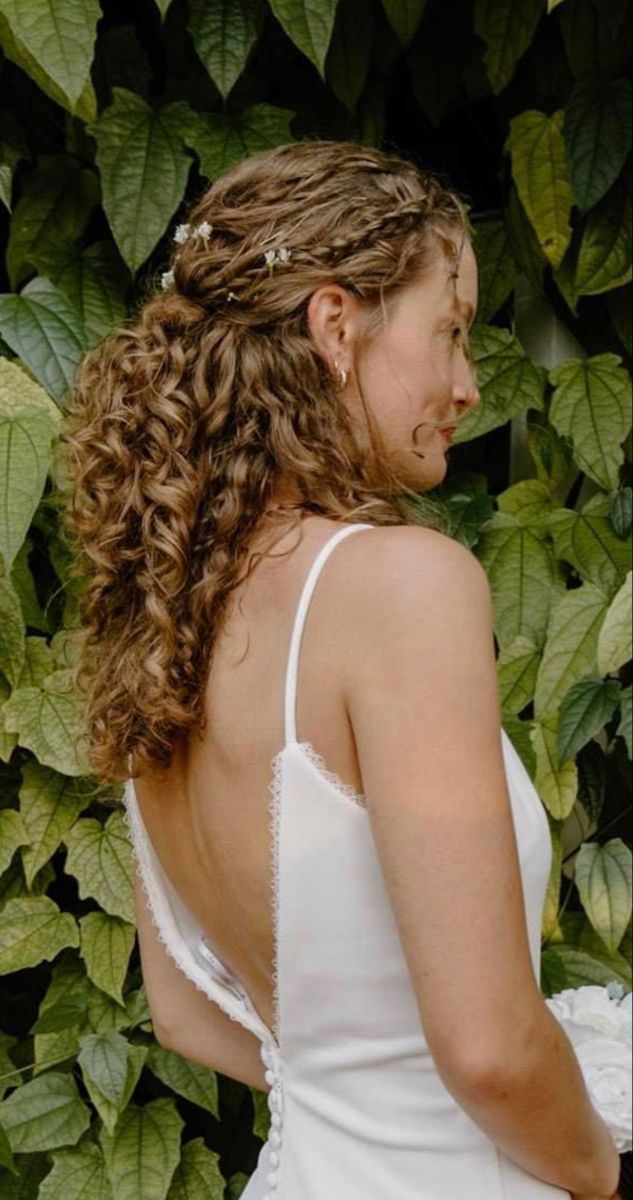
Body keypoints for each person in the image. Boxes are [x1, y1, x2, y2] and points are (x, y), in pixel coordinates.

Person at [62, 140, 621, 1200]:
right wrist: (601, 1168)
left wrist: (352, 1086)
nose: (466, 384)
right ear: (335, 326)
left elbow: (183, 1015)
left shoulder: (162, 615)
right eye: (450, 331)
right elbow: (493, 1049)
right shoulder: (401, 587)